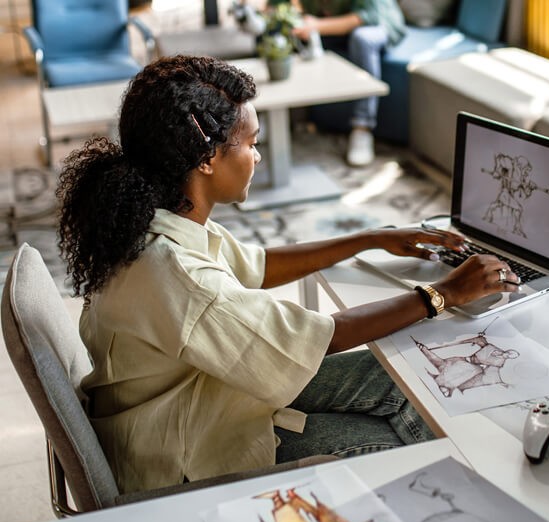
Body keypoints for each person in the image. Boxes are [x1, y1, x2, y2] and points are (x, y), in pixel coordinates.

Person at [56, 55, 520, 494]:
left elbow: (256, 266)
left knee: (403, 383)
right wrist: (442, 294)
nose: (258, 156)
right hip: (182, 449)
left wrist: (369, 237)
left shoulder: (159, 218)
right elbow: (322, 335)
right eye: (252, 143)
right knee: (402, 443)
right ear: (206, 158)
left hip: (192, 396)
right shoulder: (179, 274)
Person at [286, 0, 406, 166]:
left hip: (378, 24)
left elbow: (363, 18)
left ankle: (362, 128)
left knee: (362, 39)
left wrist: (317, 26)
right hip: (333, 25)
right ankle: (278, 120)